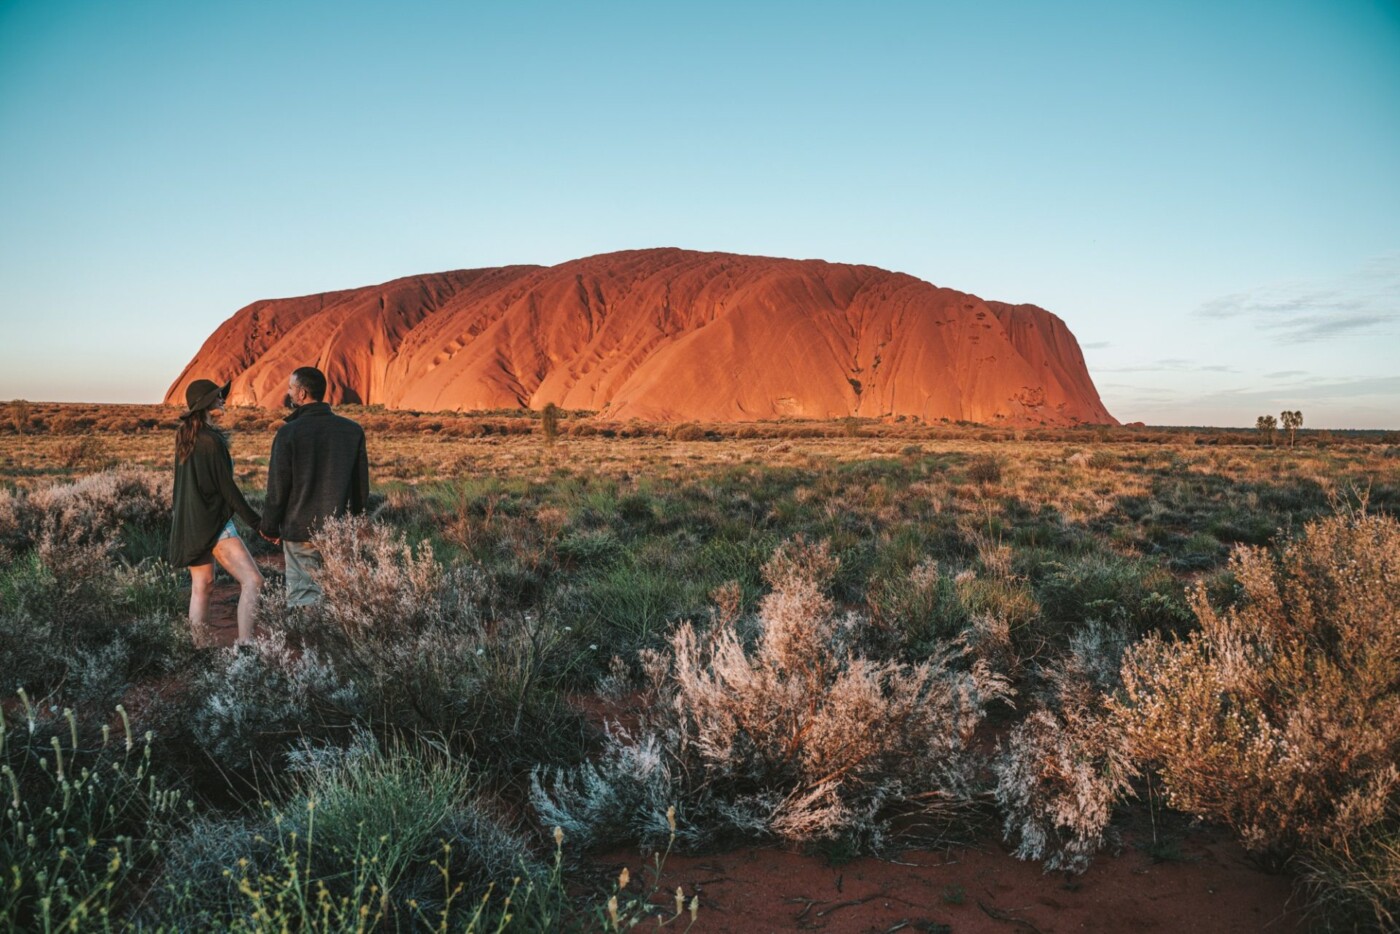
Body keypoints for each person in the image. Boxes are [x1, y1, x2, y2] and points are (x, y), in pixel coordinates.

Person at [260, 366, 369, 607]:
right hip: (340, 528)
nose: (288, 392)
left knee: (303, 597)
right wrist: (357, 523)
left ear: (302, 394)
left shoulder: (288, 433)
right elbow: (362, 488)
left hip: (300, 529)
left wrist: (269, 526)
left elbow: (277, 487)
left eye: (290, 387)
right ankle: (336, 643)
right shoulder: (352, 430)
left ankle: (310, 643)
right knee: (340, 595)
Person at [169, 379, 265, 644]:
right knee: (253, 581)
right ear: (205, 402)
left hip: (190, 522)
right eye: (217, 395)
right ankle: (245, 646)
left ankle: (198, 649)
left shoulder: (184, 436)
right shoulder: (211, 441)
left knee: (203, 587)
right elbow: (228, 490)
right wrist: (258, 523)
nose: (222, 398)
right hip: (213, 523)